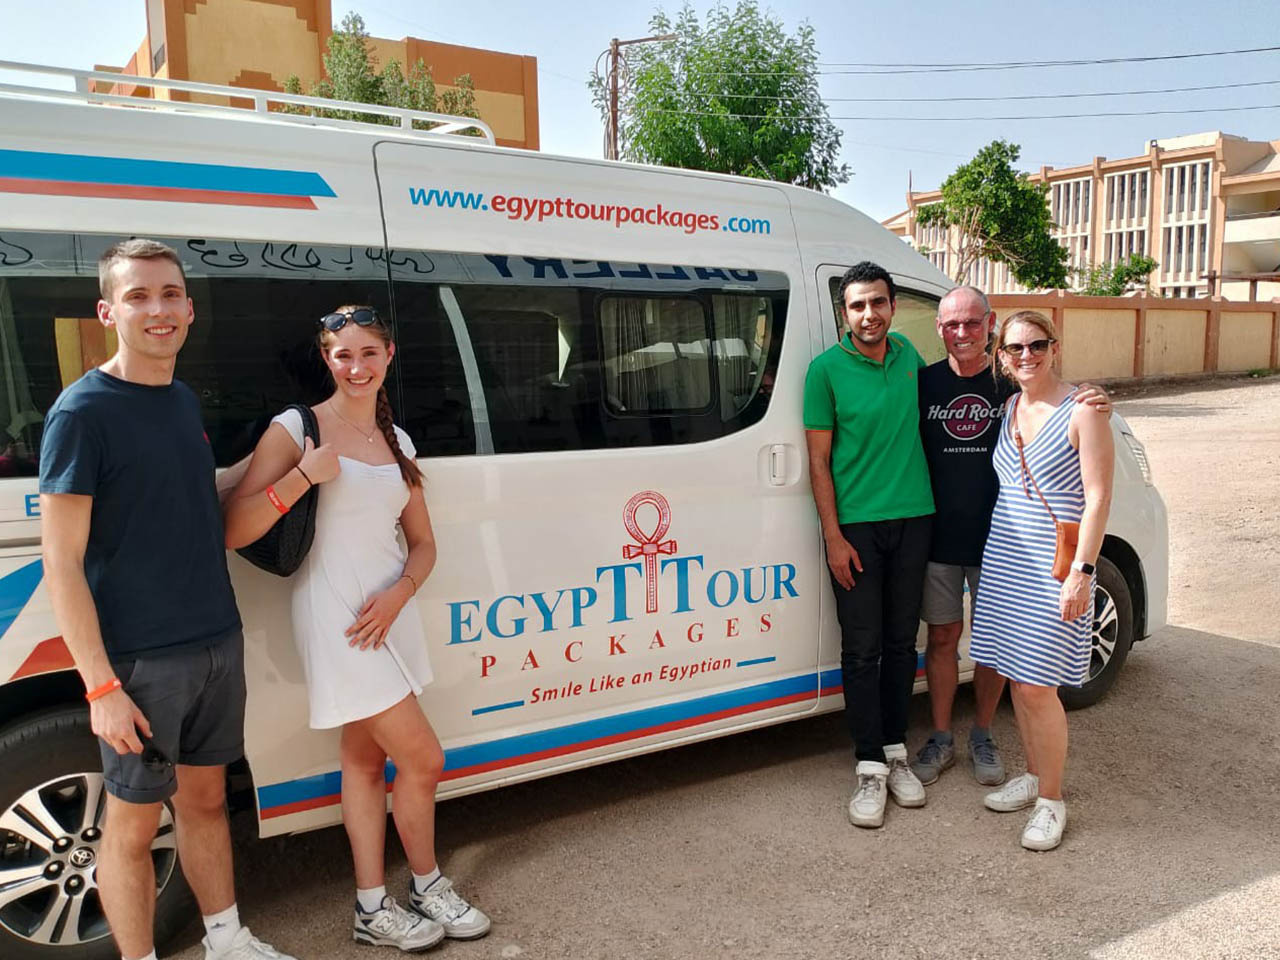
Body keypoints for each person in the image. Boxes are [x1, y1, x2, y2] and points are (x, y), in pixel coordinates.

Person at [39, 239, 297, 960]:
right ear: (107, 312)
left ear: (189, 309)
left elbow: (190, 493)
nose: (158, 309)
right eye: (138, 296)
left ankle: (228, 941)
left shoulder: (181, 399)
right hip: (141, 659)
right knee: (131, 827)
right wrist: (101, 686)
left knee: (206, 802)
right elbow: (60, 561)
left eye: (170, 295)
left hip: (215, 639)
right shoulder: (81, 413)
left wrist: (287, 457)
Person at [224, 306, 490, 951]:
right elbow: (233, 528)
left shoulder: (399, 442)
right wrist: (301, 477)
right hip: (337, 622)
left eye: (369, 353)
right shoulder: (299, 428)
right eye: (343, 354)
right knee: (423, 758)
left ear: (389, 356)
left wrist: (399, 595)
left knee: (364, 762)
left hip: (388, 616)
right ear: (326, 358)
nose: (356, 366)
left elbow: (423, 544)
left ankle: (372, 908)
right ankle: (427, 886)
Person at [912, 288, 1111, 788]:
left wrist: (1097, 397)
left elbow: (1066, 414)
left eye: (972, 322)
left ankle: (983, 733)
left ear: (990, 326)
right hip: (942, 537)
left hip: (1006, 547)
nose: (962, 333)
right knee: (943, 638)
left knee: (996, 651)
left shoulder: (1010, 384)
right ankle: (941, 736)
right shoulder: (924, 382)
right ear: (939, 329)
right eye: (952, 324)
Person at [968, 309, 1114, 852]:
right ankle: (1032, 775)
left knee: (1036, 686)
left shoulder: (1084, 410)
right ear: (1002, 358)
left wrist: (1083, 573)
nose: (1026, 355)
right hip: (1006, 561)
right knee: (1014, 675)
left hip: (1055, 570)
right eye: (1014, 348)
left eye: (1036, 345)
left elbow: (1098, 498)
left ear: (1055, 347)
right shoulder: (1010, 407)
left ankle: (1052, 800)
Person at [804, 261, 934, 829]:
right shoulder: (825, 370)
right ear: (844, 312)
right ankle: (868, 765)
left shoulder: (909, 357)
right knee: (862, 649)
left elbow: (968, 389)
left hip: (915, 518)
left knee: (903, 644)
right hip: (855, 528)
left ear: (893, 306)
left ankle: (896, 752)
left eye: (878, 302)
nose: (869, 314)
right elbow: (818, 462)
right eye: (857, 305)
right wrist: (833, 536)